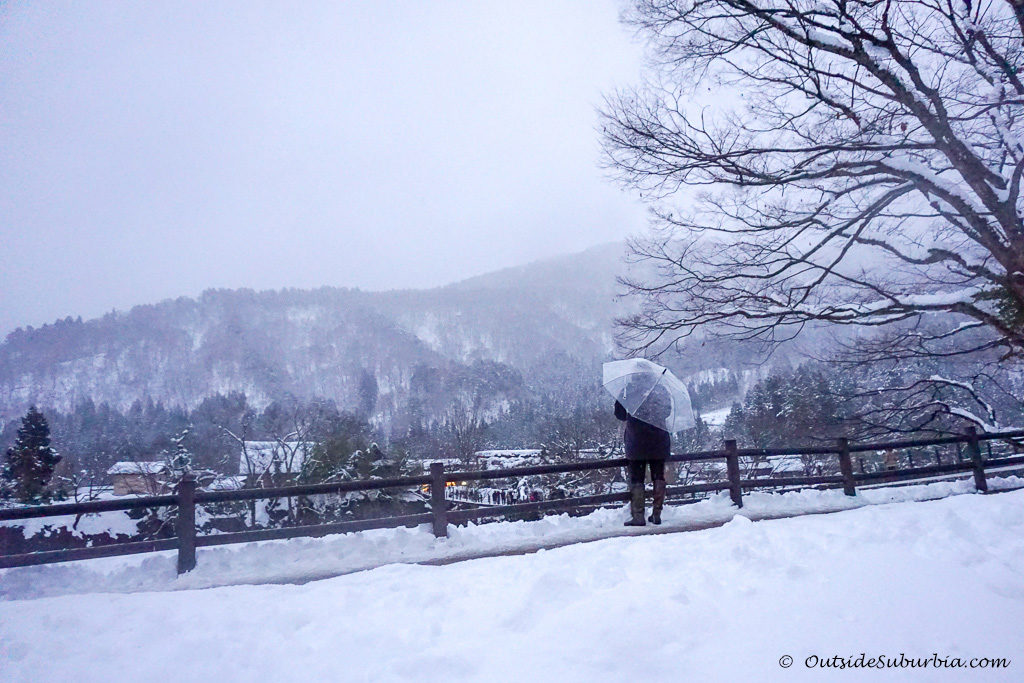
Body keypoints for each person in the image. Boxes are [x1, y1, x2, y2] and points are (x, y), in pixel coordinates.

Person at [614, 381, 672, 526]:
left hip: (637, 440)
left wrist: (623, 398)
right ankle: (657, 514)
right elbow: (667, 412)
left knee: (637, 479)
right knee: (658, 477)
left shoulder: (629, 389)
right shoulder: (660, 388)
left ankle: (638, 516)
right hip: (658, 439)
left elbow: (620, 414)